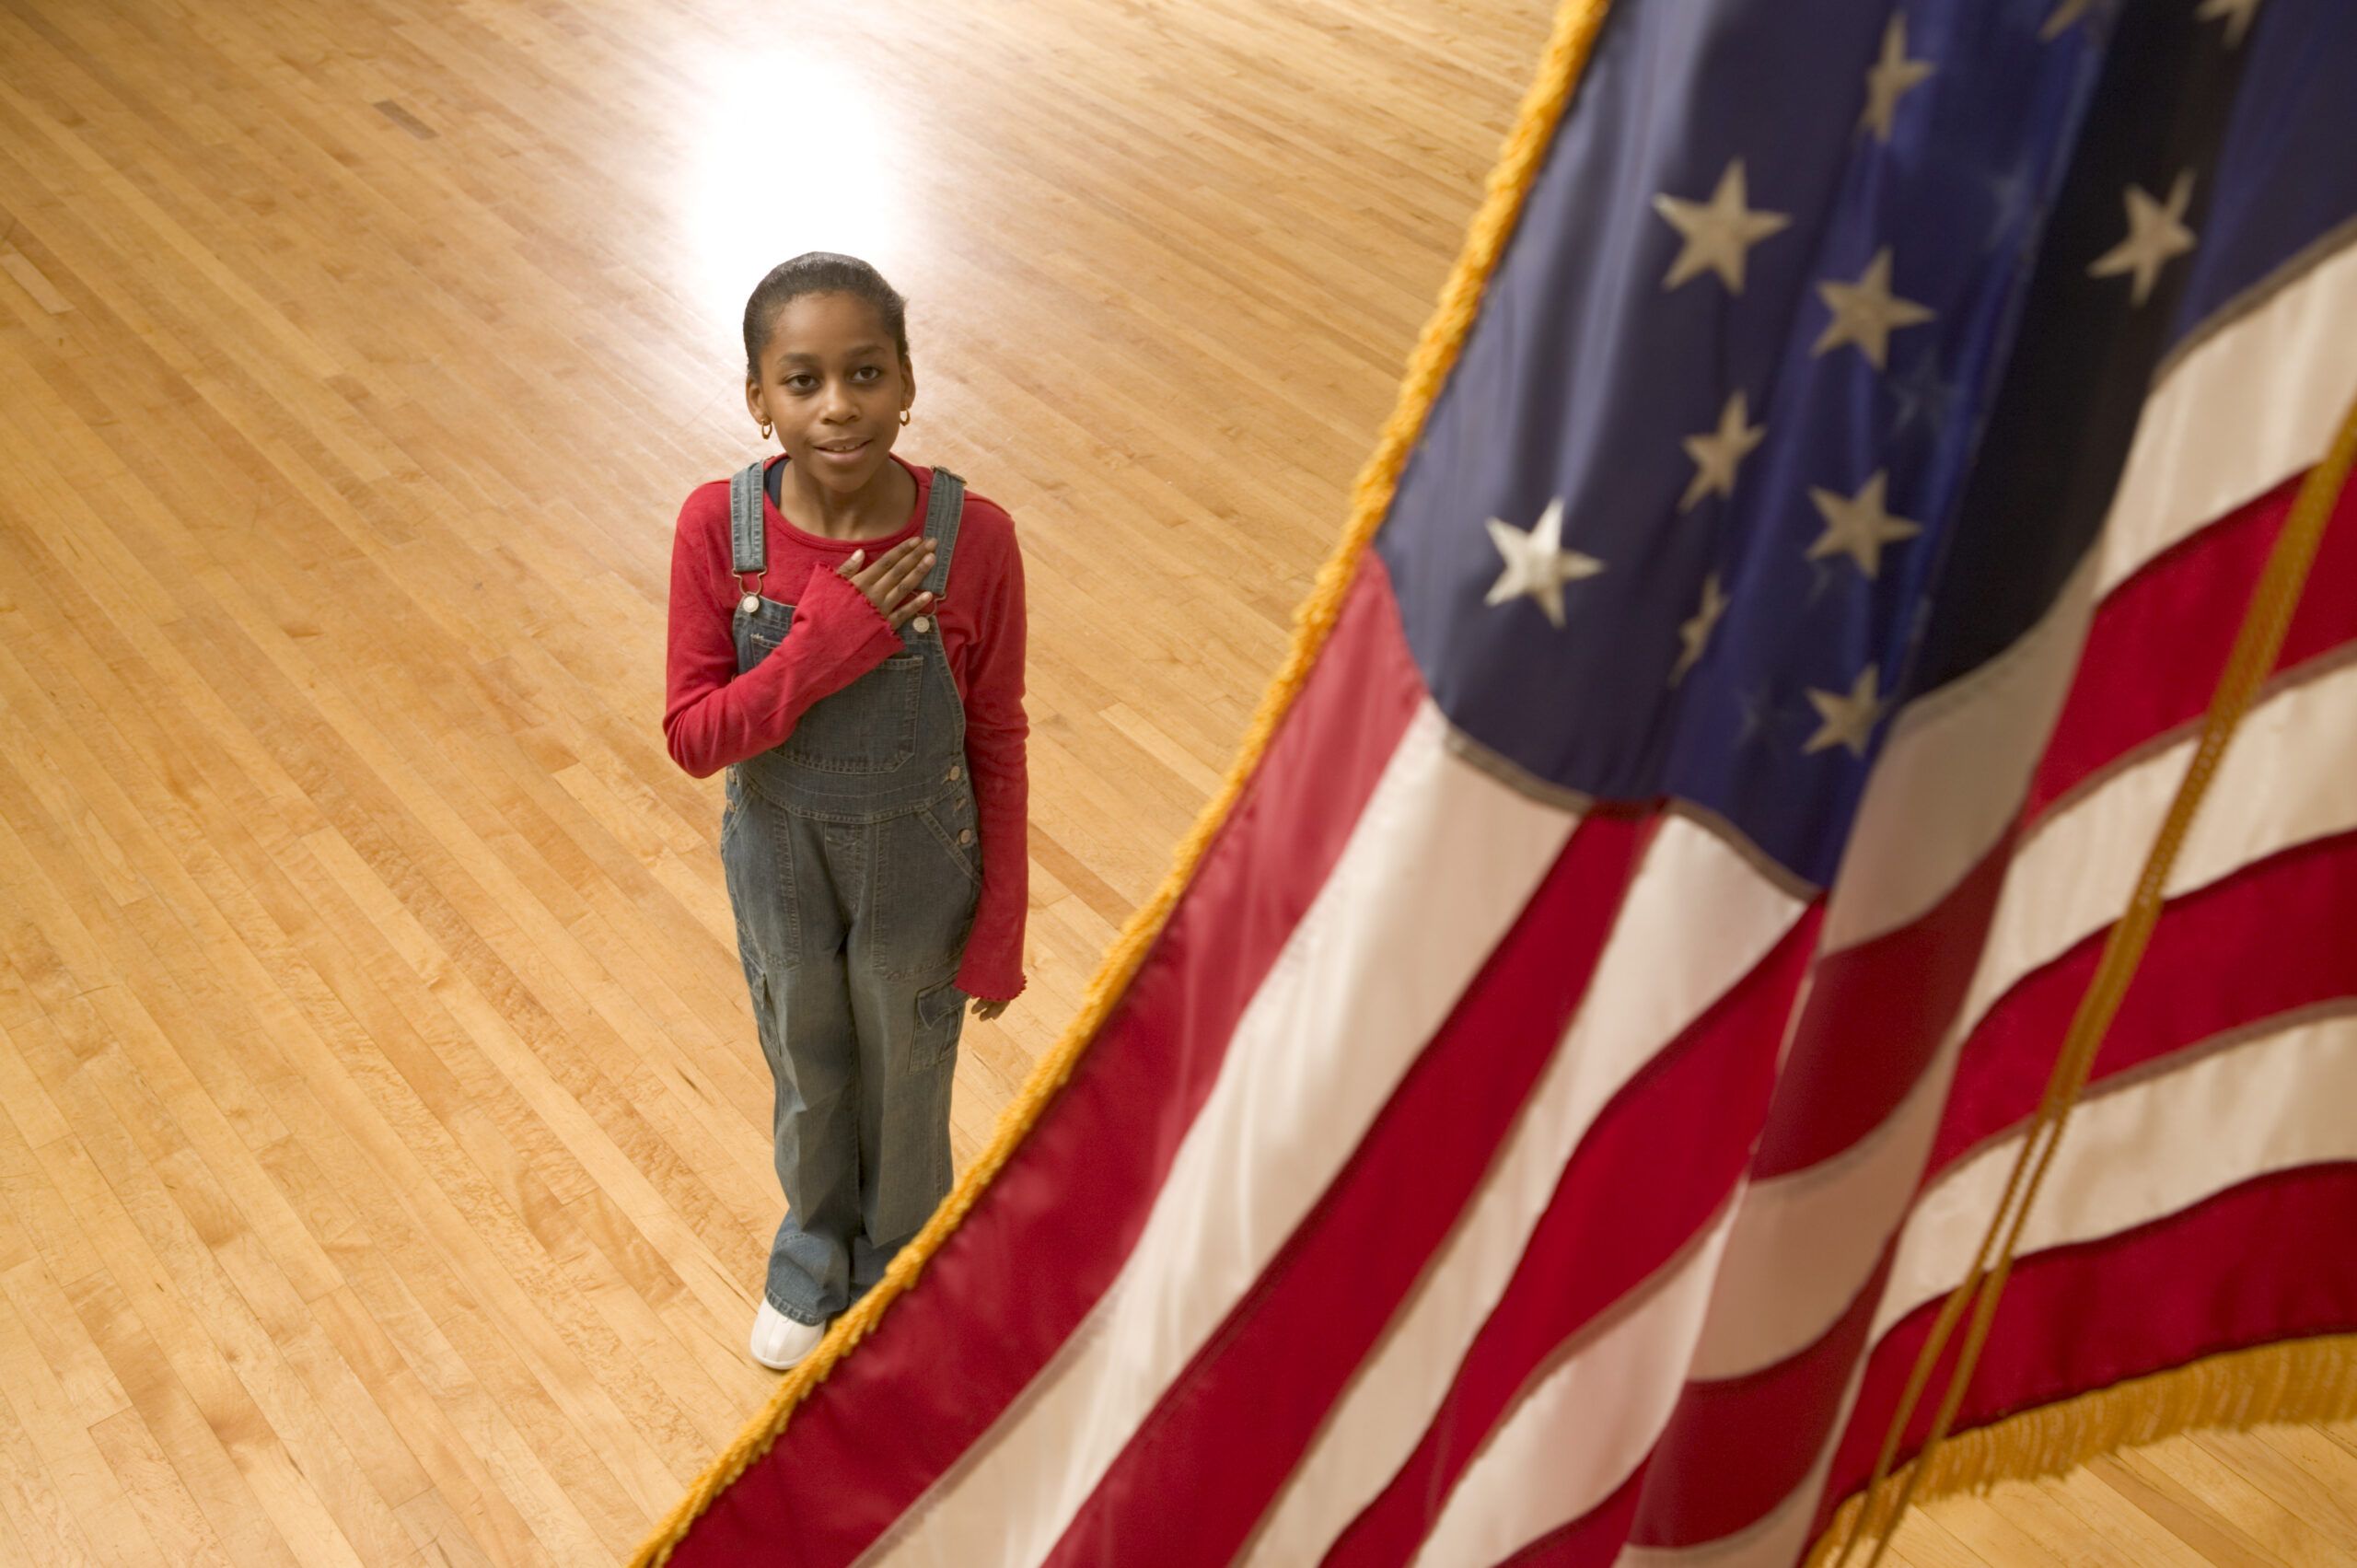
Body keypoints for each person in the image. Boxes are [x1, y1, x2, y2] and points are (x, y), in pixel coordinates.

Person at [662, 253, 1028, 1370]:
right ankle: (812, 1254)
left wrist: (1002, 921)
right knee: (808, 1064)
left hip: (921, 861)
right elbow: (693, 737)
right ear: (757, 397)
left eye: (865, 372)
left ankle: (905, 1271)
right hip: (777, 855)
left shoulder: (977, 539)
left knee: (909, 1073)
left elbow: (997, 737)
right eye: (803, 379)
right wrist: (819, 651)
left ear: (908, 382)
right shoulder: (716, 533)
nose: (837, 406)